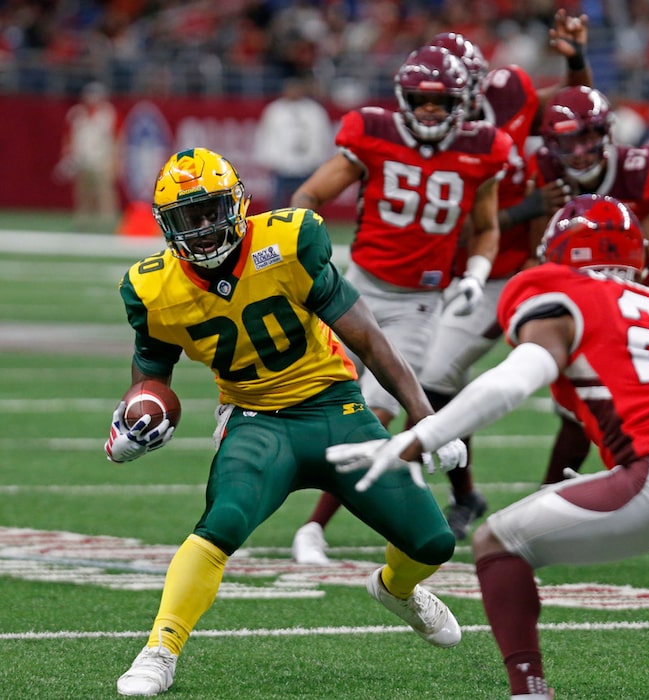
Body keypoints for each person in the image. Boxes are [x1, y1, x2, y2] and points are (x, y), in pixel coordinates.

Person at [329, 194, 649, 700]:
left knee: (497, 544)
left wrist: (420, 436)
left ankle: (529, 692)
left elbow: (512, 382)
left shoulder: (557, 290)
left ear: (561, 252)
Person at [107, 147, 466, 696]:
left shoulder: (288, 242)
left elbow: (367, 336)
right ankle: (160, 648)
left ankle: (396, 589)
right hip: (255, 420)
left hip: (333, 407)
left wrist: (425, 417)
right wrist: (130, 425)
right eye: (186, 219)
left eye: (209, 212)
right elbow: (150, 379)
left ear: (237, 204)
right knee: (222, 522)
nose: (201, 231)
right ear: (165, 226)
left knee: (433, 542)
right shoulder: (154, 288)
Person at [289, 45, 513, 564]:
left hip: (417, 303)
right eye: (420, 100)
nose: (430, 111)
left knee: (377, 412)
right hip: (357, 289)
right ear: (403, 99)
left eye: (441, 102)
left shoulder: (483, 148)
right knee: (317, 398)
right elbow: (306, 198)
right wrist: (311, 260)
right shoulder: (373, 133)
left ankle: (313, 529)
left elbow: (486, 228)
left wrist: (476, 275)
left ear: (463, 102)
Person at [414, 9, 593, 541]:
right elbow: (448, 228)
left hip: (517, 269)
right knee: (432, 382)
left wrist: (577, 60)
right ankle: (463, 494)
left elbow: (569, 108)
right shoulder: (427, 132)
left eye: (465, 85)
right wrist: (525, 208)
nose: (458, 96)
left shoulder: (507, 93)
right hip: (456, 267)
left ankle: (551, 502)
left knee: (583, 376)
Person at [530, 84, 649, 484]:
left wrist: (636, 314)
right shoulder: (544, 172)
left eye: (587, 137)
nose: (579, 151)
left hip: (638, 298)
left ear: (607, 133)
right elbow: (538, 254)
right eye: (568, 141)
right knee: (580, 408)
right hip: (576, 301)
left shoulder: (641, 171)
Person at [252, 76, 334, 210]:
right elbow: (266, 136)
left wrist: (317, 159)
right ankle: (276, 225)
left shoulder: (314, 110)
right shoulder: (275, 110)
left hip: (307, 165)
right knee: (278, 201)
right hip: (282, 166)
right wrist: (272, 160)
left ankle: (309, 226)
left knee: (309, 200)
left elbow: (322, 136)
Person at [55, 81, 120, 231]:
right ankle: (83, 220)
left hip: (101, 159)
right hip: (81, 158)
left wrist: (115, 160)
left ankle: (107, 221)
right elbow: (68, 136)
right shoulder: (76, 113)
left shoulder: (107, 113)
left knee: (104, 192)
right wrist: (67, 155)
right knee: (83, 193)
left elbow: (116, 138)